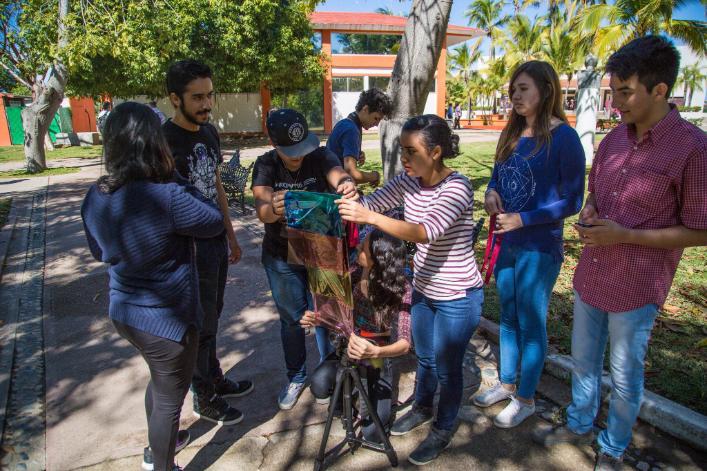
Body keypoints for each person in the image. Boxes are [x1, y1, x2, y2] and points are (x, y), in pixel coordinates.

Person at [532, 36, 707, 471]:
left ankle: (612, 445)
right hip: (592, 275)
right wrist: (593, 211)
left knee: (626, 375)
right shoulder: (613, 141)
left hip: (638, 284)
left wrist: (625, 235)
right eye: (613, 92)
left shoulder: (693, 148)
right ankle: (578, 420)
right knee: (584, 363)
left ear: (660, 90)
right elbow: (597, 197)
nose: (615, 103)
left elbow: (701, 231)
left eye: (625, 93)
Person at [82, 102, 225, 471]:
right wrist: (174, 177)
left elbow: (99, 251)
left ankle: (163, 441)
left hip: (125, 312)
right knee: (168, 399)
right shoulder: (168, 194)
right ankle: (161, 462)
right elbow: (213, 221)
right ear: (153, 142)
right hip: (167, 321)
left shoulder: (96, 195)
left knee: (162, 382)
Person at [336, 114, 484, 466]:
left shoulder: (458, 187)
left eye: (410, 151)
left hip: (458, 296)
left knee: (448, 369)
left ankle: (443, 427)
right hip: (424, 288)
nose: (403, 158)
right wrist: (353, 197)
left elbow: (423, 231)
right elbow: (375, 203)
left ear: (434, 152)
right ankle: (420, 407)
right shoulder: (409, 180)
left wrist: (369, 218)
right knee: (425, 358)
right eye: (400, 150)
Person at [474, 61, 585, 428]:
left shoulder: (564, 138)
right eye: (513, 90)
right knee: (507, 316)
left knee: (531, 321)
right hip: (506, 243)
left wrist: (525, 218)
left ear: (546, 90)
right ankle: (507, 384)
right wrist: (491, 193)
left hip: (539, 247)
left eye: (523, 88)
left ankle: (527, 398)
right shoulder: (513, 133)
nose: (515, 96)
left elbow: (572, 201)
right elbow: (497, 177)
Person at [162, 59, 252, 427]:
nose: (206, 104)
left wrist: (230, 233)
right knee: (197, 323)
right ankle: (204, 396)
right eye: (197, 97)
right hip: (186, 249)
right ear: (174, 99)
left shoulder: (209, 132)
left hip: (214, 241)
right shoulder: (163, 141)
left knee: (213, 316)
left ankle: (213, 377)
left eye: (209, 95)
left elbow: (216, 186)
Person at [251, 108, 358, 410]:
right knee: (293, 320)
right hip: (281, 256)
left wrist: (346, 184)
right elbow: (261, 208)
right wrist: (273, 206)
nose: (298, 157)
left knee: (330, 315)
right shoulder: (266, 165)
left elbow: (339, 174)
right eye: (290, 152)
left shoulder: (321, 156)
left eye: (302, 150)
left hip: (322, 250)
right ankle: (296, 375)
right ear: (273, 143)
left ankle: (331, 370)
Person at [302, 229, 412, 442]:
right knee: (319, 385)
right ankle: (350, 393)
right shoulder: (353, 272)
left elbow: (405, 344)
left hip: (376, 354)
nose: (358, 249)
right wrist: (317, 317)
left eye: (363, 249)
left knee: (374, 435)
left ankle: (362, 395)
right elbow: (333, 312)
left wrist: (376, 350)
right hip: (346, 349)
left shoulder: (402, 288)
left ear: (378, 260)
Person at [326, 88, 392, 186]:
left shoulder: (345, 123)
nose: (377, 124)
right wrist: (375, 176)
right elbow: (351, 174)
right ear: (365, 109)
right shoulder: (351, 130)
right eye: (376, 118)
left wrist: (356, 153)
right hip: (334, 190)